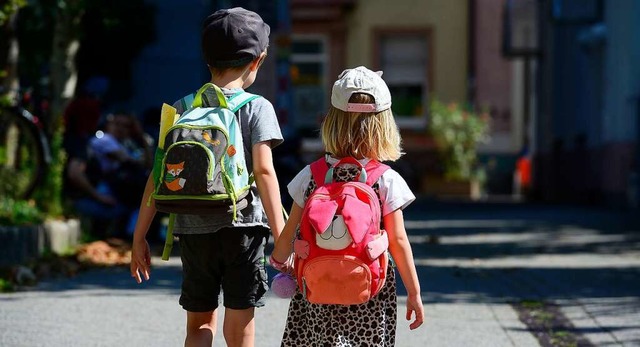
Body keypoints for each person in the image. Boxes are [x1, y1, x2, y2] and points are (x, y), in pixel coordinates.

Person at [129, 7, 285, 347]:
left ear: (207, 59)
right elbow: (263, 171)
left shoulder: (183, 107)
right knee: (240, 327)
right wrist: (282, 235)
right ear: (257, 61)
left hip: (192, 230)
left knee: (199, 325)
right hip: (243, 230)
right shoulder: (257, 107)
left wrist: (139, 235)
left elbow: (159, 175)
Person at [270, 66, 424, 346]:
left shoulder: (310, 176)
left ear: (332, 122)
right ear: (385, 125)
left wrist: (280, 262)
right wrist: (414, 292)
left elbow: (288, 235)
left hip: (317, 287)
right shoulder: (386, 179)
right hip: (368, 292)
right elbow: (399, 241)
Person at [65, 112, 151, 238]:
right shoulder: (104, 140)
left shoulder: (126, 144)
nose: (120, 128)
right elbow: (132, 162)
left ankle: (128, 235)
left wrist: (141, 137)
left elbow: (147, 165)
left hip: (107, 197)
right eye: (116, 123)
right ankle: (129, 236)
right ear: (108, 124)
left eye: (126, 126)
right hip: (89, 199)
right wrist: (99, 197)